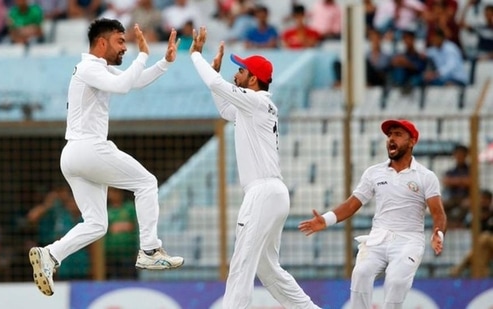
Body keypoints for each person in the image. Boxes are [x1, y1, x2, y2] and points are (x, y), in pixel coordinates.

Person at [28, 19, 184, 297]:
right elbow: (125, 85)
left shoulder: (96, 69)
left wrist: (164, 64)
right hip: (89, 149)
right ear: (102, 42)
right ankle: (149, 250)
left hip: (75, 155)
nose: (125, 47)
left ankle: (50, 254)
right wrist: (144, 54)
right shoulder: (89, 67)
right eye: (120, 41)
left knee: (97, 224)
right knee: (147, 183)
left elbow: (131, 82)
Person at [189, 27, 322, 309]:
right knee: (268, 270)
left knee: (242, 260)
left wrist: (196, 57)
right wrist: (214, 73)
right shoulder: (255, 105)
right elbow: (227, 111)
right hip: (272, 192)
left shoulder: (256, 101)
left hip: (262, 192)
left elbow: (218, 86)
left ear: (253, 79)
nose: (235, 74)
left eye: (241, 70)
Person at [299, 119, 446, 308]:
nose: (391, 139)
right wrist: (326, 220)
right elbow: (352, 204)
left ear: (412, 142)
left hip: (408, 241)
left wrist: (438, 232)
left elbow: (438, 213)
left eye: (398, 135)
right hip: (378, 238)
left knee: (395, 282)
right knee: (360, 274)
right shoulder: (374, 173)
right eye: (389, 135)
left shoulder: (425, 176)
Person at [450, 189, 493, 277]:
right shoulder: (473, 215)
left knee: (486, 237)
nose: (483, 201)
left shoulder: (491, 214)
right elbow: (465, 227)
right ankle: (483, 276)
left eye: (486, 199)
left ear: (490, 200)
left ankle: (460, 266)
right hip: (484, 249)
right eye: (482, 199)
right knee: (483, 253)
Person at [105, 187, 139, 280]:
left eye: (115, 191)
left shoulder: (130, 208)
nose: (112, 195)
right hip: (110, 256)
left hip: (129, 254)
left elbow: (136, 227)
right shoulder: (106, 211)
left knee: (130, 280)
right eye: (110, 192)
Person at [442, 144, 471, 229]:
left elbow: (471, 182)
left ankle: (458, 224)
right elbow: (446, 181)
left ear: (466, 155)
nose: (459, 156)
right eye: (457, 154)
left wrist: (454, 181)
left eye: (461, 154)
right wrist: (463, 181)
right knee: (441, 205)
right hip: (453, 198)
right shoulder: (451, 170)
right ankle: (449, 224)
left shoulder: (471, 169)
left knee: (467, 204)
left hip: (466, 198)